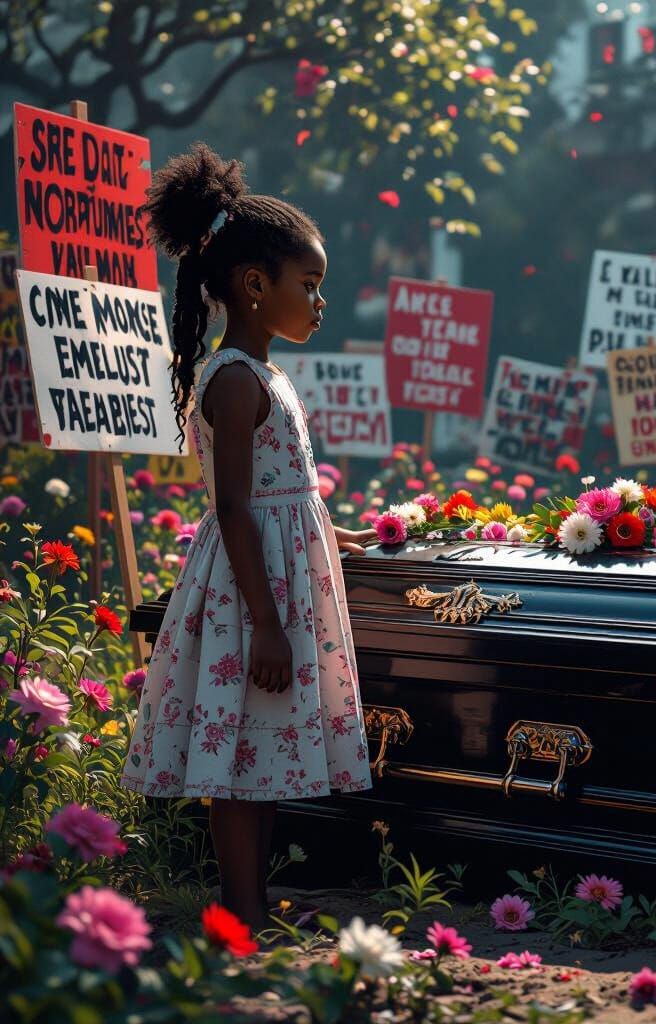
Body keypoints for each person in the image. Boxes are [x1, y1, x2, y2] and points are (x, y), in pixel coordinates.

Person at [120, 144, 375, 930]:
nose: (320, 301)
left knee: (260, 751)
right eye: (310, 284)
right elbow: (234, 507)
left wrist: (341, 535)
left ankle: (253, 905)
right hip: (247, 593)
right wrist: (265, 621)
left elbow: (284, 494)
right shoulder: (233, 380)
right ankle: (241, 910)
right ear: (256, 286)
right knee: (234, 762)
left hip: (278, 580)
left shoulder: (269, 376)